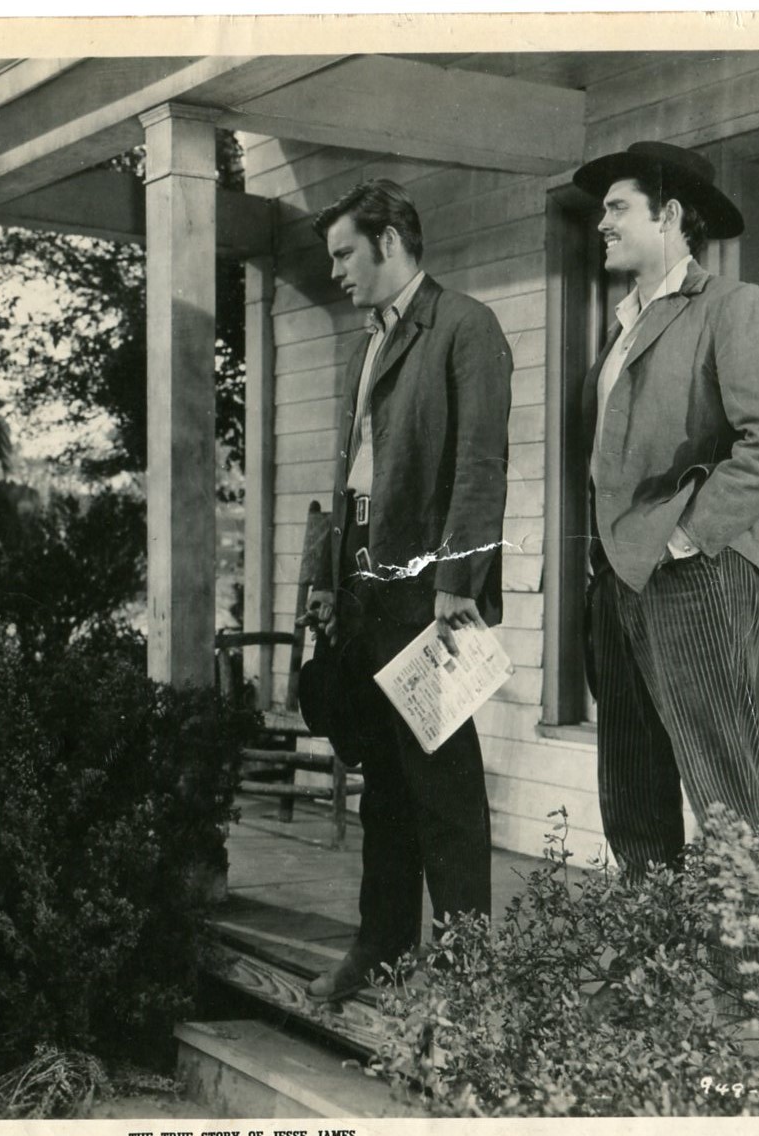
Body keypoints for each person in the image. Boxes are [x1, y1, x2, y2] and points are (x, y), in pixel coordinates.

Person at [573, 142, 759, 873]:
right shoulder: (623, 327)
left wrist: (685, 535)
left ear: (669, 214)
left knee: (723, 791)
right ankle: (655, 942)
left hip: (692, 573)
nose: (602, 223)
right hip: (618, 580)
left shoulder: (733, 307)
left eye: (617, 208)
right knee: (634, 798)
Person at [302, 180, 511, 1003]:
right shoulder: (367, 345)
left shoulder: (463, 326)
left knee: (444, 790)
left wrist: (458, 583)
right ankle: (381, 950)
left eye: (345, 254)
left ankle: (467, 980)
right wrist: (327, 580)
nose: (336, 273)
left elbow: (480, 465)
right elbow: (349, 479)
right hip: (364, 584)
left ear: (389, 242)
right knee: (384, 787)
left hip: (428, 592)